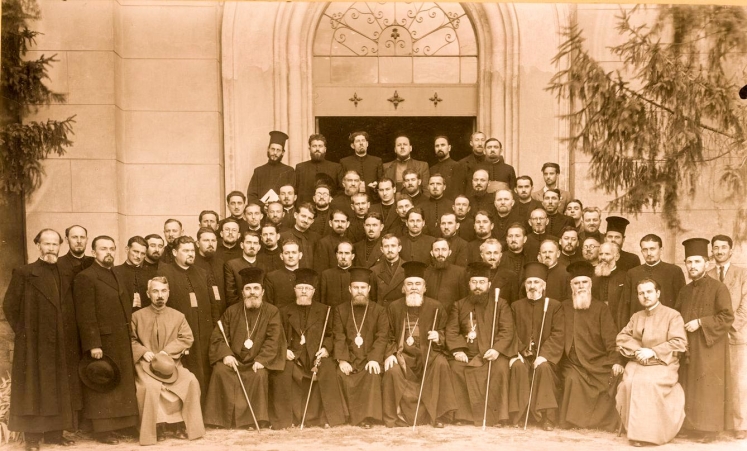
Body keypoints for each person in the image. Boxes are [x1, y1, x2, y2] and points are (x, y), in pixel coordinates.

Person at [3, 229, 82, 451]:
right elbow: (10, 305)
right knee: (34, 389)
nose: (51, 248)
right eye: (46, 244)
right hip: (34, 344)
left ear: (60, 246)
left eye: (55, 244)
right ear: (38, 245)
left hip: (61, 341)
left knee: (59, 386)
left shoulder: (66, 273)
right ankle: (32, 438)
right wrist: (25, 332)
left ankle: (55, 434)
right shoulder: (25, 273)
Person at [74, 236, 139, 444]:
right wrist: (93, 344)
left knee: (120, 383)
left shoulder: (117, 273)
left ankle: (122, 425)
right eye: (103, 249)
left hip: (121, 338)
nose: (108, 252)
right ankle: (102, 430)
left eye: (112, 248)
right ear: (94, 252)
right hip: (103, 340)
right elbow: (85, 314)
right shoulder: (86, 277)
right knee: (102, 381)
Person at [204, 267, 286, 429]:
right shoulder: (231, 311)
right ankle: (220, 420)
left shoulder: (272, 312)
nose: (252, 292)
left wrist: (262, 360)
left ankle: (253, 421)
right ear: (242, 293)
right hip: (234, 360)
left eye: (256, 288)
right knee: (220, 370)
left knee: (259, 374)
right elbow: (218, 336)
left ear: (262, 292)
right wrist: (226, 355)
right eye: (248, 289)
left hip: (257, 361)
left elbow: (273, 339)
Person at [130, 276, 204, 445]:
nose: (160, 295)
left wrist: (166, 352)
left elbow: (186, 338)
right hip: (146, 365)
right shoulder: (137, 316)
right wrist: (143, 351)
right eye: (155, 291)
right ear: (148, 294)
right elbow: (130, 339)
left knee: (191, 381)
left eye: (163, 291)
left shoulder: (178, 316)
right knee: (150, 386)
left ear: (168, 293)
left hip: (171, 364)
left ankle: (182, 424)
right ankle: (157, 426)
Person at [382, 261, 457, 428]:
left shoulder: (435, 307)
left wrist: (439, 337)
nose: (414, 288)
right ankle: (400, 416)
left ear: (424, 288)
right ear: (403, 288)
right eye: (409, 284)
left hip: (428, 354)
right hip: (403, 356)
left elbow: (447, 332)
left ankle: (439, 415)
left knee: (441, 364)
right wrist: (389, 354)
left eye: (418, 284)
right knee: (392, 370)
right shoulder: (394, 307)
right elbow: (387, 335)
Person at [270, 269, 347, 429]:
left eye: (307, 288)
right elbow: (277, 335)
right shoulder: (283, 311)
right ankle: (288, 419)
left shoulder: (325, 310)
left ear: (313, 291)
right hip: (294, 357)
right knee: (283, 371)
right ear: (294, 290)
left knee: (327, 368)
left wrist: (326, 349)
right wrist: (283, 350)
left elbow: (332, 334)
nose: (304, 291)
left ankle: (326, 418)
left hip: (316, 356)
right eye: (300, 288)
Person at [615, 278, 687, 446]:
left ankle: (649, 435)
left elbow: (679, 342)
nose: (645, 296)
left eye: (649, 292)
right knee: (628, 383)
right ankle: (633, 430)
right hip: (638, 361)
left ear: (658, 293)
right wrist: (638, 350)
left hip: (663, 363)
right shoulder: (636, 316)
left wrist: (653, 351)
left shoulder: (672, 315)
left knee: (647, 382)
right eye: (641, 293)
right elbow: (622, 337)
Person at [446, 261, 518, 427]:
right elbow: (452, 331)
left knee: (500, 368)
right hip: (468, 353)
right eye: (474, 282)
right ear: (469, 284)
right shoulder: (459, 305)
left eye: (482, 282)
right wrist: (457, 350)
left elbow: (507, 331)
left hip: (491, 353)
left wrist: (497, 349)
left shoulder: (501, 304)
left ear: (489, 284)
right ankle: (463, 416)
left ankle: (497, 417)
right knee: (456, 367)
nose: (478, 286)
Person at [676, 238, 734, 442]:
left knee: (707, 386)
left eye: (697, 262)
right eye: (689, 262)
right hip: (689, 346)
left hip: (710, 347)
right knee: (689, 384)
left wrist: (701, 322)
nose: (693, 266)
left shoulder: (719, 288)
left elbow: (727, 317)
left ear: (706, 263)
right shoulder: (684, 290)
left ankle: (709, 429)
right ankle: (690, 426)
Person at [558, 261, 623, 431]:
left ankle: (599, 422)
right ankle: (574, 421)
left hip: (596, 361)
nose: (581, 286)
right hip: (572, 362)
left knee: (614, 376)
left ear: (591, 284)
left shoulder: (601, 308)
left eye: (584, 282)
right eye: (577, 283)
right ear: (571, 286)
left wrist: (616, 361)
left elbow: (611, 338)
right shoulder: (563, 307)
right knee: (572, 379)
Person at [157, 236, 219, 403]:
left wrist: (214, 328)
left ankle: (204, 409)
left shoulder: (202, 273)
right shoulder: (164, 273)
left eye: (192, 250)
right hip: (179, 333)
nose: (191, 254)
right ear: (175, 252)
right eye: (186, 251)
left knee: (205, 369)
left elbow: (213, 304)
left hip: (204, 332)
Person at [508, 262, 565, 430]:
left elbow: (558, 333)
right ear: (525, 285)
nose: (532, 286)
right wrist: (518, 351)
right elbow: (511, 332)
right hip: (522, 354)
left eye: (536, 282)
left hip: (544, 356)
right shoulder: (516, 306)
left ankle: (547, 418)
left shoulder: (554, 306)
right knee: (518, 367)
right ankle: (519, 416)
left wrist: (544, 355)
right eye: (529, 282)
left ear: (543, 285)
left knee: (544, 368)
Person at [333, 267, 390, 428]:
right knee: (339, 374)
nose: (359, 291)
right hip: (350, 358)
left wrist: (374, 359)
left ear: (369, 289)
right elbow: (339, 335)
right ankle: (346, 416)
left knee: (372, 374)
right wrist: (342, 359)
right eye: (356, 287)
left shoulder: (379, 310)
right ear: (349, 289)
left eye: (363, 287)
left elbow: (382, 337)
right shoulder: (340, 310)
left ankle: (367, 417)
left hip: (368, 358)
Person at [707, 234, 747, 439]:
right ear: (711, 251)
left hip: (736, 334)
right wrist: (715, 329)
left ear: (731, 250)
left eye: (724, 247)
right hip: (713, 336)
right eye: (716, 247)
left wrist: (729, 327)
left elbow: (745, 305)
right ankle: (717, 424)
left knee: (738, 381)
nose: (720, 251)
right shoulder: (707, 274)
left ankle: (740, 424)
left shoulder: (743, 273)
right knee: (714, 379)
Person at [619, 234, 686, 324]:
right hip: (639, 325)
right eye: (645, 250)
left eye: (652, 249)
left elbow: (681, 302)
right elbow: (625, 305)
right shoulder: (632, 273)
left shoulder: (674, 271)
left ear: (661, 250)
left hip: (665, 324)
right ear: (641, 251)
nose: (649, 253)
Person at [246, 131, 295, 205]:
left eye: (278, 150)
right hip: (262, 210)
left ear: (283, 152)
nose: (275, 153)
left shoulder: (289, 171)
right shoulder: (258, 171)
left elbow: (292, 196)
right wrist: (262, 206)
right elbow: (251, 196)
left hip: (282, 210)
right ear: (268, 149)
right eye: (273, 149)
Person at [424, 238, 468, 312]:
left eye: (444, 250)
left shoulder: (460, 273)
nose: (440, 253)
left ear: (449, 252)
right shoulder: (425, 272)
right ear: (431, 253)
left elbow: (464, 301)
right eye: (436, 250)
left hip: (452, 316)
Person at [295, 133, 342, 203]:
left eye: (320, 146)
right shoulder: (300, 167)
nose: (317, 149)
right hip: (305, 207)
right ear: (309, 149)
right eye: (314, 146)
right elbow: (295, 190)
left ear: (325, 149)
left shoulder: (336, 167)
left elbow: (340, 191)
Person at [114, 236, 153, 312]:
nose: (139, 256)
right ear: (127, 249)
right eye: (136, 251)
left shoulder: (150, 274)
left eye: (142, 253)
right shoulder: (115, 271)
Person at [591, 242, 627, 328]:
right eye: (601, 254)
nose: (603, 257)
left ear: (616, 257)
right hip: (596, 322)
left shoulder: (625, 277)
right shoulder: (592, 276)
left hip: (617, 322)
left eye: (607, 254)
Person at [340, 131, 384, 198]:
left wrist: (376, 185)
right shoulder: (344, 162)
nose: (361, 143)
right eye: (358, 141)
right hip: (352, 199)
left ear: (367, 144)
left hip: (372, 198)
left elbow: (382, 180)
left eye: (363, 140)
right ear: (352, 146)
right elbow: (342, 184)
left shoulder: (377, 161)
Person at [224, 231, 262, 306]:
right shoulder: (231, 265)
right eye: (248, 242)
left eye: (255, 243)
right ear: (242, 245)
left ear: (259, 247)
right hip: (239, 309)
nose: (252, 246)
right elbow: (231, 295)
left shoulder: (263, 266)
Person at [193, 227, 226, 315]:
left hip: (221, 310)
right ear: (197, 243)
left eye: (213, 240)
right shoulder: (192, 264)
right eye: (206, 240)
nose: (210, 244)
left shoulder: (221, 263)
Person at [279, 202, 319, 269]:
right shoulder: (283, 236)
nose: (306, 220)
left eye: (309, 218)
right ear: (295, 215)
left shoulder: (316, 238)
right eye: (303, 216)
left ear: (312, 221)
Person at [265, 239, 304, 308]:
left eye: (294, 252)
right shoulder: (272, 277)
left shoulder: (308, 276)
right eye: (287, 253)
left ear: (300, 255)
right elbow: (269, 305)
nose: (290, 256)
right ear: (281, 256)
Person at [370, 234, 406, 308]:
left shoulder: (407, 268)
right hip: (382, 311)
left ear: (399, 248)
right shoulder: (374, 271)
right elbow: (373, 299)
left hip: (401, 311)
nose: (389, 250)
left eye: (393, 246)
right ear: (381, 249)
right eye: (386, 246)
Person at [320, 240, 355, 308]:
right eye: (340, 253)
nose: (343, 256)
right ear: (336, 255)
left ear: (352, 256)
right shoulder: (326, 275)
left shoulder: (357, 274)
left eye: (347, 253)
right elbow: (322, 301)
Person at [430, 135, 465, 199]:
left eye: (442, 145)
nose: (439, 148)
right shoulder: (432, 169)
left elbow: (458, 191)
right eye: (437, 146)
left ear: (449, 148)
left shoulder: (457, 166)